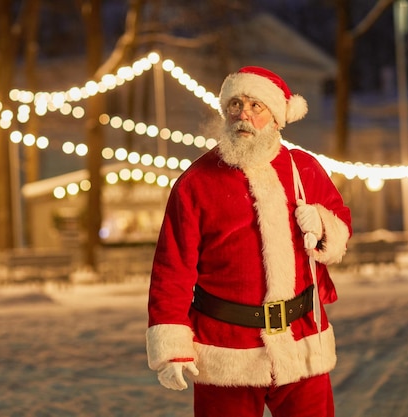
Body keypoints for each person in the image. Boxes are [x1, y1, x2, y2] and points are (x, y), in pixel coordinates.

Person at [145, 66, 352, 417]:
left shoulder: (305, 169)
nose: (244, 115)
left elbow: (340, 223)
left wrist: (321, 223)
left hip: (301, 340)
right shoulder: (196, 182)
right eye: (236, 105)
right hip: (225, 348)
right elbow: (173, 267)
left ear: (276, 117)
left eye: (256, 106)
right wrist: (172, 345)